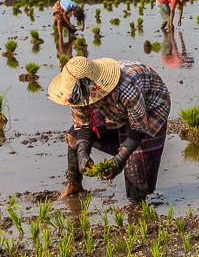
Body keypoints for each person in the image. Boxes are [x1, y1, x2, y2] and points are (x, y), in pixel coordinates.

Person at [47, 56, 171, 203]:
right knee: (74, 137)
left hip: (149, 106)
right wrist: (82, 154)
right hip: (111, 105)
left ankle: (138, 200)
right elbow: (83, 127)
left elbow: (138, 128)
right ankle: (74, 186)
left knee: (137, 189)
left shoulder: (125, 87)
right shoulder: (76, 92)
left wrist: (118, 161)